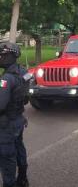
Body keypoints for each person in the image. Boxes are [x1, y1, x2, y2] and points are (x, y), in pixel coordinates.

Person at [0, 42, 29, 187]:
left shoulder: (6, 79)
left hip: (7, 125)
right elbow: (26, 98)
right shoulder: (24, 72)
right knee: (19, 149)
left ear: (10, 56)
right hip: (18, 119)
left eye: (2, 55)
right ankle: (23, 179)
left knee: (7, 157)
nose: (0, 58)